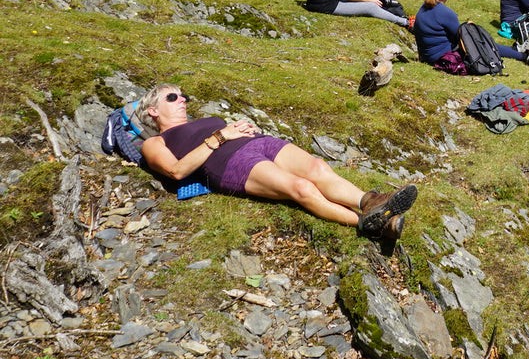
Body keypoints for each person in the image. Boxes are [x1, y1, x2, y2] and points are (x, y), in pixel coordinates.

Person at [135, 83, 417, 242]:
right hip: (229, 162)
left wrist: (241, 129)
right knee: (301, 188)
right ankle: (371, 224)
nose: (182, 98)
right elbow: (176, 171)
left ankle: (373, 201)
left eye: (183, 94)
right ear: (153, 110)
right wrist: (220, 137)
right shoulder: (155, 143)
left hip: (257, 142)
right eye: (173, 97)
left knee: (318, 168)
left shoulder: (200, 121)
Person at [413, 0, 524, 67]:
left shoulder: (424, 7)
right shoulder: (446, 13)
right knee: (481, 42)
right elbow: (462, 37)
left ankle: (517, 50)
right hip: (443, 57)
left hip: (428, 55)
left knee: (481, 40)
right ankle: (522, 55)